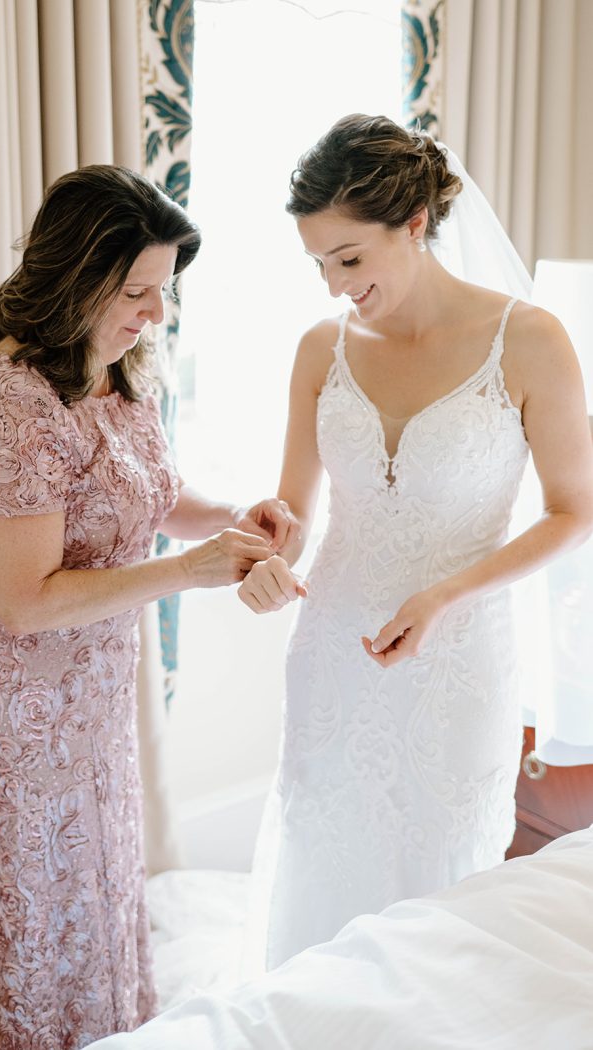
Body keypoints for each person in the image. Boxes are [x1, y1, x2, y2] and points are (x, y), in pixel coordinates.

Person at [0, 164, 298, 1048]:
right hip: (8, 709)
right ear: (76, 278)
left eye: (164, 291)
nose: (158, 313)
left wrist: (236, 512)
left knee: (86, 874)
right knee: (26, 892)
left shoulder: (112, 364)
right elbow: (25, 603)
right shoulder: (7, 406)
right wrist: (190, 571)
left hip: (88, 687)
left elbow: (144, 488)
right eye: (139, 291)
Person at [237, 114, 593, 970]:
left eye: (349, 260)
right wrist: (269, 549)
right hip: (334, 651)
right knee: (326, 850)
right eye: (319, 264)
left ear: (416, 225)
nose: (332, 287)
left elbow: (574, 511)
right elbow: (293, 509)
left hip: (459, 653)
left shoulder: (530, 340)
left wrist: (443, 596)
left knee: (439, 878)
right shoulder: (319, 349)